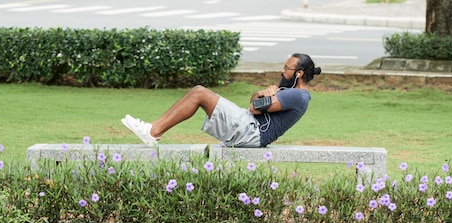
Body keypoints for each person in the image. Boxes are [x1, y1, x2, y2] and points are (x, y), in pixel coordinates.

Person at [121, 53, 321, 148]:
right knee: (198, 92)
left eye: (287, 68)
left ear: (299, 73)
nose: (282, 71)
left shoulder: (297, 95)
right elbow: (254, 100)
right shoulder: (289, 92)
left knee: (199, 92)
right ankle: (153, 129)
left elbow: (254, 108)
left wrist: (267, 95)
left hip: (252, 131)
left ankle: (153, 131)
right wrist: (264, 92)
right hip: (250, 126)